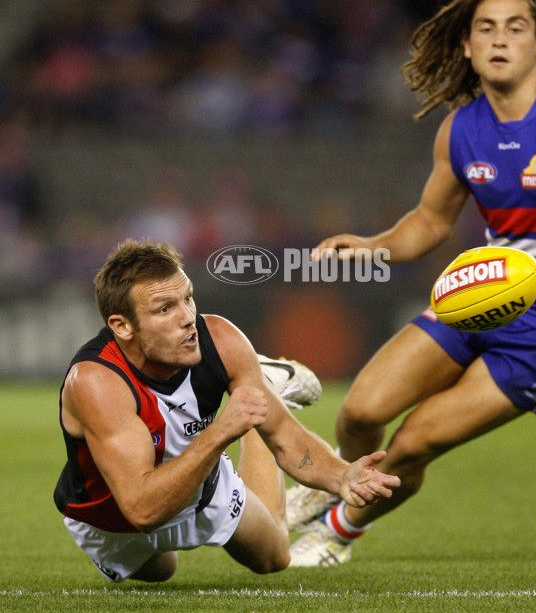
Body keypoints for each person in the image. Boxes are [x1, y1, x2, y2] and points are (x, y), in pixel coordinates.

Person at [286, 0, 536, 566]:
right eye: (486, 29)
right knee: (360, 411)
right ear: (467, 45)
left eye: (515, 28)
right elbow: (429, 224)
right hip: (484, 292)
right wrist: (372, 245)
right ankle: (336, 477)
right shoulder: (461, 130)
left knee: (415, 441)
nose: (500, 39)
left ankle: (337, 532)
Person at [53, 238, 400, 583]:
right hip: (114, 519)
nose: (188, 318)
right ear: (122, 326)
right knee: (161, 571)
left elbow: (286, 438)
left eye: (187, 298)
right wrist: (221, 431)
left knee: (275, 555)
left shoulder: (221, 341)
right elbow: (143, 510)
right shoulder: (96, 382)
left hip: (202, 484)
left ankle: (258, 393)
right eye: (164, 309)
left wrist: (341, 475)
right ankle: (255, 397)